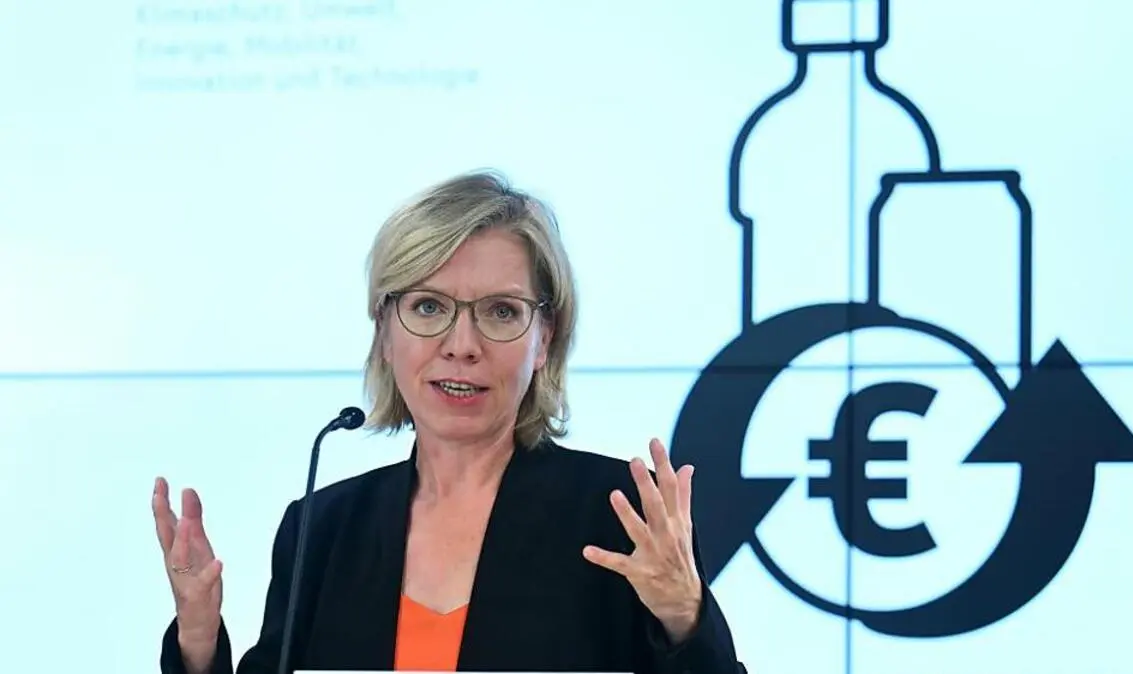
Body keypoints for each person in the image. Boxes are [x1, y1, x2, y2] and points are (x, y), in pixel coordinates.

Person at [152, 170, 747, 674]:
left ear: (545, 339)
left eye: (501, 311)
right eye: (429, 306)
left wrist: (683, 616)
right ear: (385, 331)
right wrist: (198, 639)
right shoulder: (324, 528)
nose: (461, 345)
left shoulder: (623, 516)